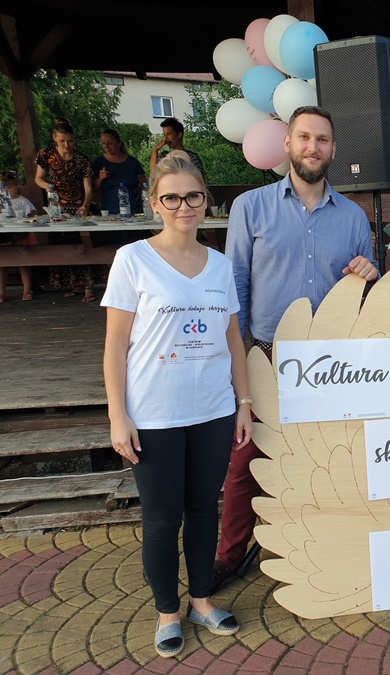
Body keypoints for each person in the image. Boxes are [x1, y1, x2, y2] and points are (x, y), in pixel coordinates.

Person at [212, 105, 378, 589]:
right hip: (267, 354)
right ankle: (229, 554)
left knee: (331, 456)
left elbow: (366, 290)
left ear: (333, 150)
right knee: (246, 459)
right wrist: (238, 357)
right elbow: (235, 283)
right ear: (287, 143)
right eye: (304, 137)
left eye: (322, 140)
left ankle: (326, 543)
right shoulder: (251, 207)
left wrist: (371, 273)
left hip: (332, 362)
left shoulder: (353, 216)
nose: (313, 147)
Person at [101, 151, 252, 658]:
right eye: (171, 198)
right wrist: (118, 415)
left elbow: (232, 340)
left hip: (212, 410)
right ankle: (168, 612)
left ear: (206, 201)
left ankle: (202, 601)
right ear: (154, 203)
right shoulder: (133, 259)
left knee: (203, 511)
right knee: (163, 519)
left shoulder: (221, 265)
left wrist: (243, 403)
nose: (183, 206)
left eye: (193, 196)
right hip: (154, 414)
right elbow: (115, 344)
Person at [34, 118, 96, 302]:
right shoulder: (46, 155)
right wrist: (48, 186)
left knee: (81, 246)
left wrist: (86, 205)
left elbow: (88, 187)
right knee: (61, 246)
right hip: (57, 208)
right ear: (55, 138)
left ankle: (88, 286)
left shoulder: (81, 159)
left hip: (78, 207)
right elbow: (38, 178)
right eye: (62, 141)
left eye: (70, 141)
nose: (66, 145)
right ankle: (74, 285)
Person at [0, 171, 37, 302]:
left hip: (21, 234)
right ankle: (1, 291)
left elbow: (33, 213)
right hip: (4, 234)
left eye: (9, 187)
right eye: (3, 188)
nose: (6, 190)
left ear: (16, 187)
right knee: (2, 263)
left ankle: (27, 290)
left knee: (23, 262)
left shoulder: (22, 201)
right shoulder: (1, 202)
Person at [92, 129, 147, 215]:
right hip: (109, 208)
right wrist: (100, 178)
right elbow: (93, 188)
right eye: (103, 143)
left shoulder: (132, 162)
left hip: (133, 208)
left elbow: (144, 185)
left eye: (110, 143)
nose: (106, 146)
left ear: (119, 143)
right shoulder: (99, 162)